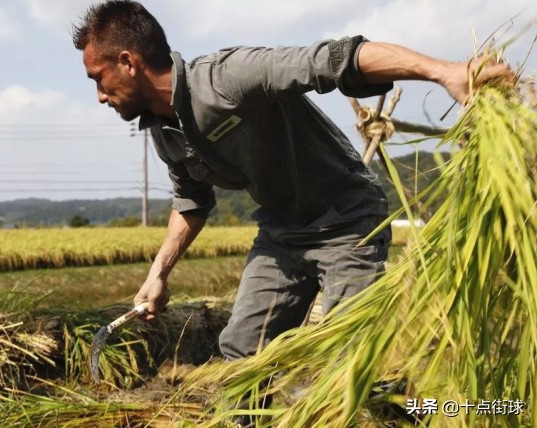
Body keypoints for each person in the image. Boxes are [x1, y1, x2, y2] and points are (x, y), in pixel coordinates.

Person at [72, 0, 513, 378]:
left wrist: (446, 71)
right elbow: (191, 200)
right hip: (282, 232)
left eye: (97, 77)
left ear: (128, 62)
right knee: (241, 355)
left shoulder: (227, 78)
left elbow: (338, 59)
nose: (99, 95)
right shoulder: (163, 130)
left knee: (348, 359)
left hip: (346, 222)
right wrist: (158, 273)